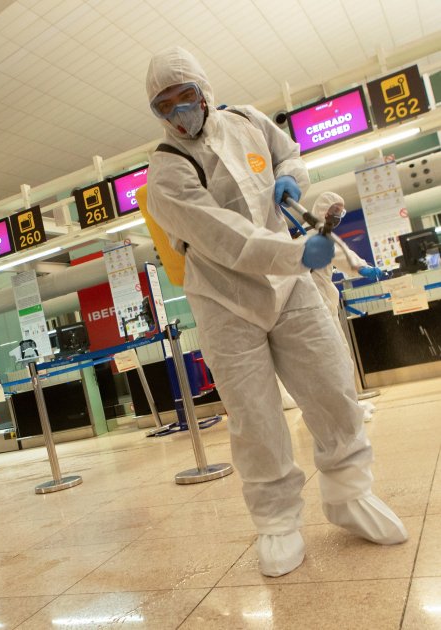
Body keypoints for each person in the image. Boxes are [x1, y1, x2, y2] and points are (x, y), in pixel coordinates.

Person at [145, 46, 407, 577]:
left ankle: (349, 493)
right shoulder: (165, 170)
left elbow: (287, 155)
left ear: (204, 90)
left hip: (290, 287)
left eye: (184, 96)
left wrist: (291, 178)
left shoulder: (246, 120)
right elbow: (224, 237)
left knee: (331, 385)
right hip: (224, 297)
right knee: (255, 415)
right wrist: (296, 254)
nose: (178, 112)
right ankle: (277, 522)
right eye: (164, 105)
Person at [307, 191, 384, 420]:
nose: (338, 215)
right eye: (335, 210)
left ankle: (349, 404)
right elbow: (344, 256)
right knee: (333, 359)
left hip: (323, 307)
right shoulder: (316, 236)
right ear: (324, 210)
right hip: (317, 309)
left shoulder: (318, 234)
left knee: (338, 357)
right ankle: (344, 410)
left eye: (341, 211)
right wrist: (363, 268)